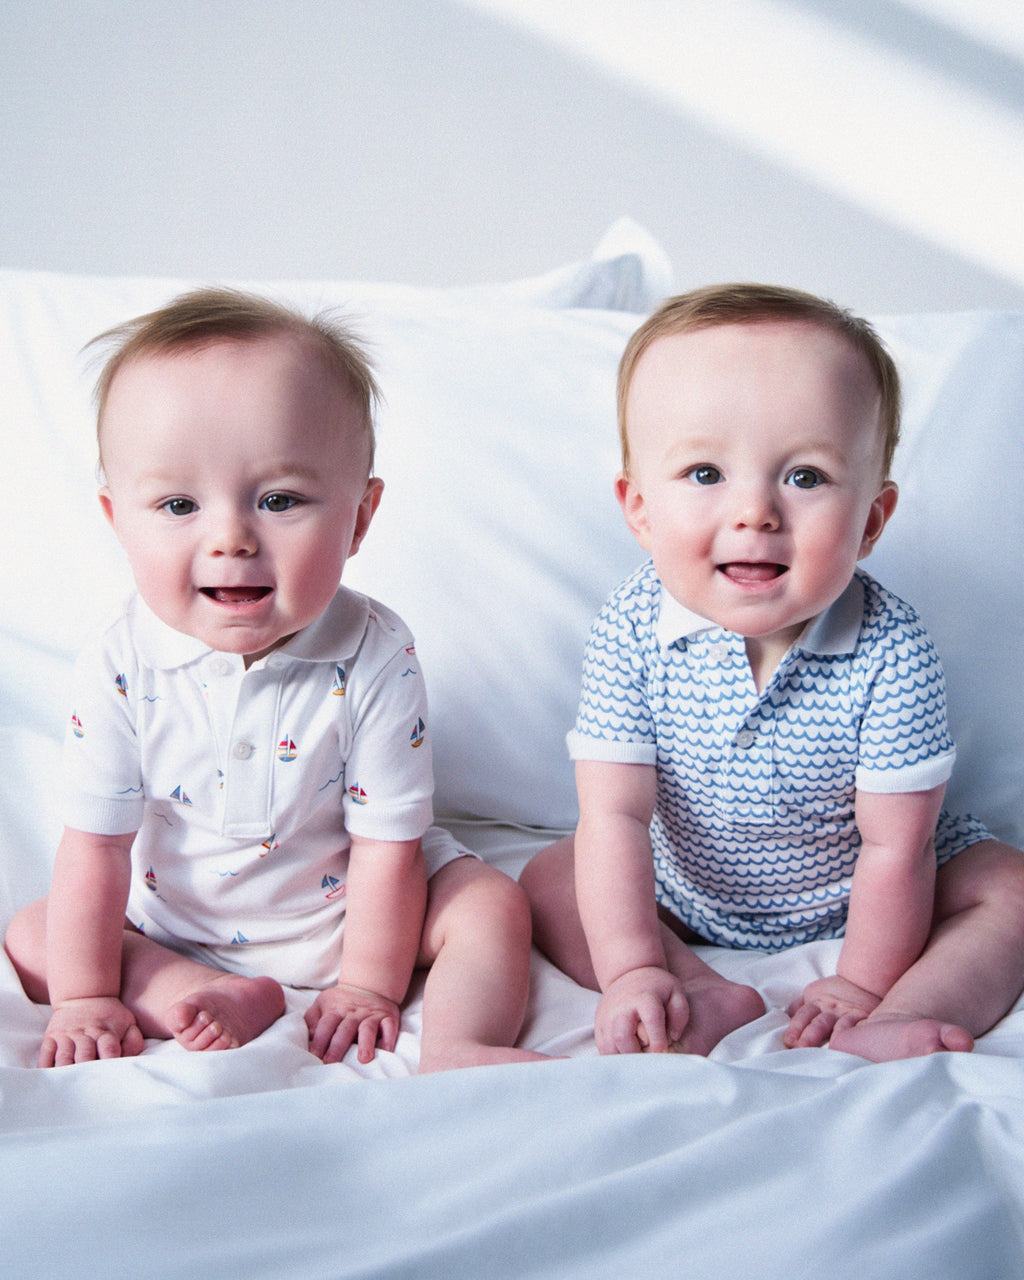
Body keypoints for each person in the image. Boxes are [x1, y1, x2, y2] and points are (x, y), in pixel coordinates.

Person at [5, 288, 545, 1073]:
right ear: (117, 519)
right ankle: (191, 989)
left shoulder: (376, 653)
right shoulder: (121, 661)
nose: (230, 537)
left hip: (352, 912)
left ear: (360, 518)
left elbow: (387, 846)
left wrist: (369, 986)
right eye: (179, 504)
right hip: (174, 920)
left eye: (279, 500)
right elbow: (95, 845)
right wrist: (87, 997)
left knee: (493, 905)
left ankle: (463, 1044)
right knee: (35, 930)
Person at [520, 283, 1024, 1063]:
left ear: (872, 521)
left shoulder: (892, 647)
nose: (755, 512)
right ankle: (686, 989)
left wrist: (864, 981)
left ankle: (904, 1014)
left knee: (1014, 892)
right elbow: (616, 817)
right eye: (704, 474)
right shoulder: (629, 629)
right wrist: (631, 966)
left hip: (867, 887)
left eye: (805, 477)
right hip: (688, 888)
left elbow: (899, 846)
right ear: (640, 510)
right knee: (554, 875)